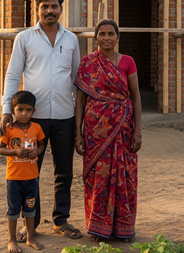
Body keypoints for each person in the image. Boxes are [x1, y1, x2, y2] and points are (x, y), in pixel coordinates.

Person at [0, 0, 82, 240]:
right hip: (32, 121)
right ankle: (29, 223)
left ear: (60, 8)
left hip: (65, 117)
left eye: (54, 6)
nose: (49, 11)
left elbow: (77, 78)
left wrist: (81, 118)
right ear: (37, 9)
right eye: (44, 6)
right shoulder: (25, 38)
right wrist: (6, 110)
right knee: (30, 171)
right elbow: (13, 75)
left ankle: (61, 220)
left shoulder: (71, 40)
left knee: (64, 172)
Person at [74, 19, 142, 242]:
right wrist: (79, 133)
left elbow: (135, 96)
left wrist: (138, 131)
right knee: (98, 177)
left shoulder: (128, 62)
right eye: (101, 34)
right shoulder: (88, 63)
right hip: (96, 133)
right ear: (95, 38)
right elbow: (81, 100)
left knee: (125, 176)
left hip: (123, 130)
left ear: (117, 37)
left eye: (110, 34)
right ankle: (98, 228)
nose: (106, 38)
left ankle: (123, 228)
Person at [0, 90, 46, 253]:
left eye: (28, 110)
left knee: (30, 209)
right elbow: (0, 150)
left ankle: (30, 237)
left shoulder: (37, 128)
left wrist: (37, 152)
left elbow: (41, 145)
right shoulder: (9, 128)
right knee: (13, 210)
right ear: (13, 111)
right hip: (14, 178)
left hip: (32, 178)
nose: (24, 114)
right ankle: (12, 240)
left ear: (34, 111)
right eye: (20, 110)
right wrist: (15, 152)